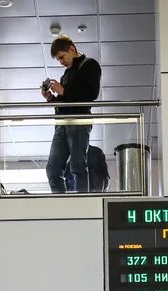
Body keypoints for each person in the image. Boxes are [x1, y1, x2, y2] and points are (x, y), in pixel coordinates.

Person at [42, 35, 101, 194]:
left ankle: (82, 205)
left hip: (79, 121)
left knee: (77, 166)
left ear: (72, 49)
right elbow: (65, 102)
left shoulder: (89, 65)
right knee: (52, 170)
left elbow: (92, 94)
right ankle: (61, 206)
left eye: (62, 57)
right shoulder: (66, 75)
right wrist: (52, 99)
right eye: (58, 59)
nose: (61, 62)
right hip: (62, 123)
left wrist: (63, 91)